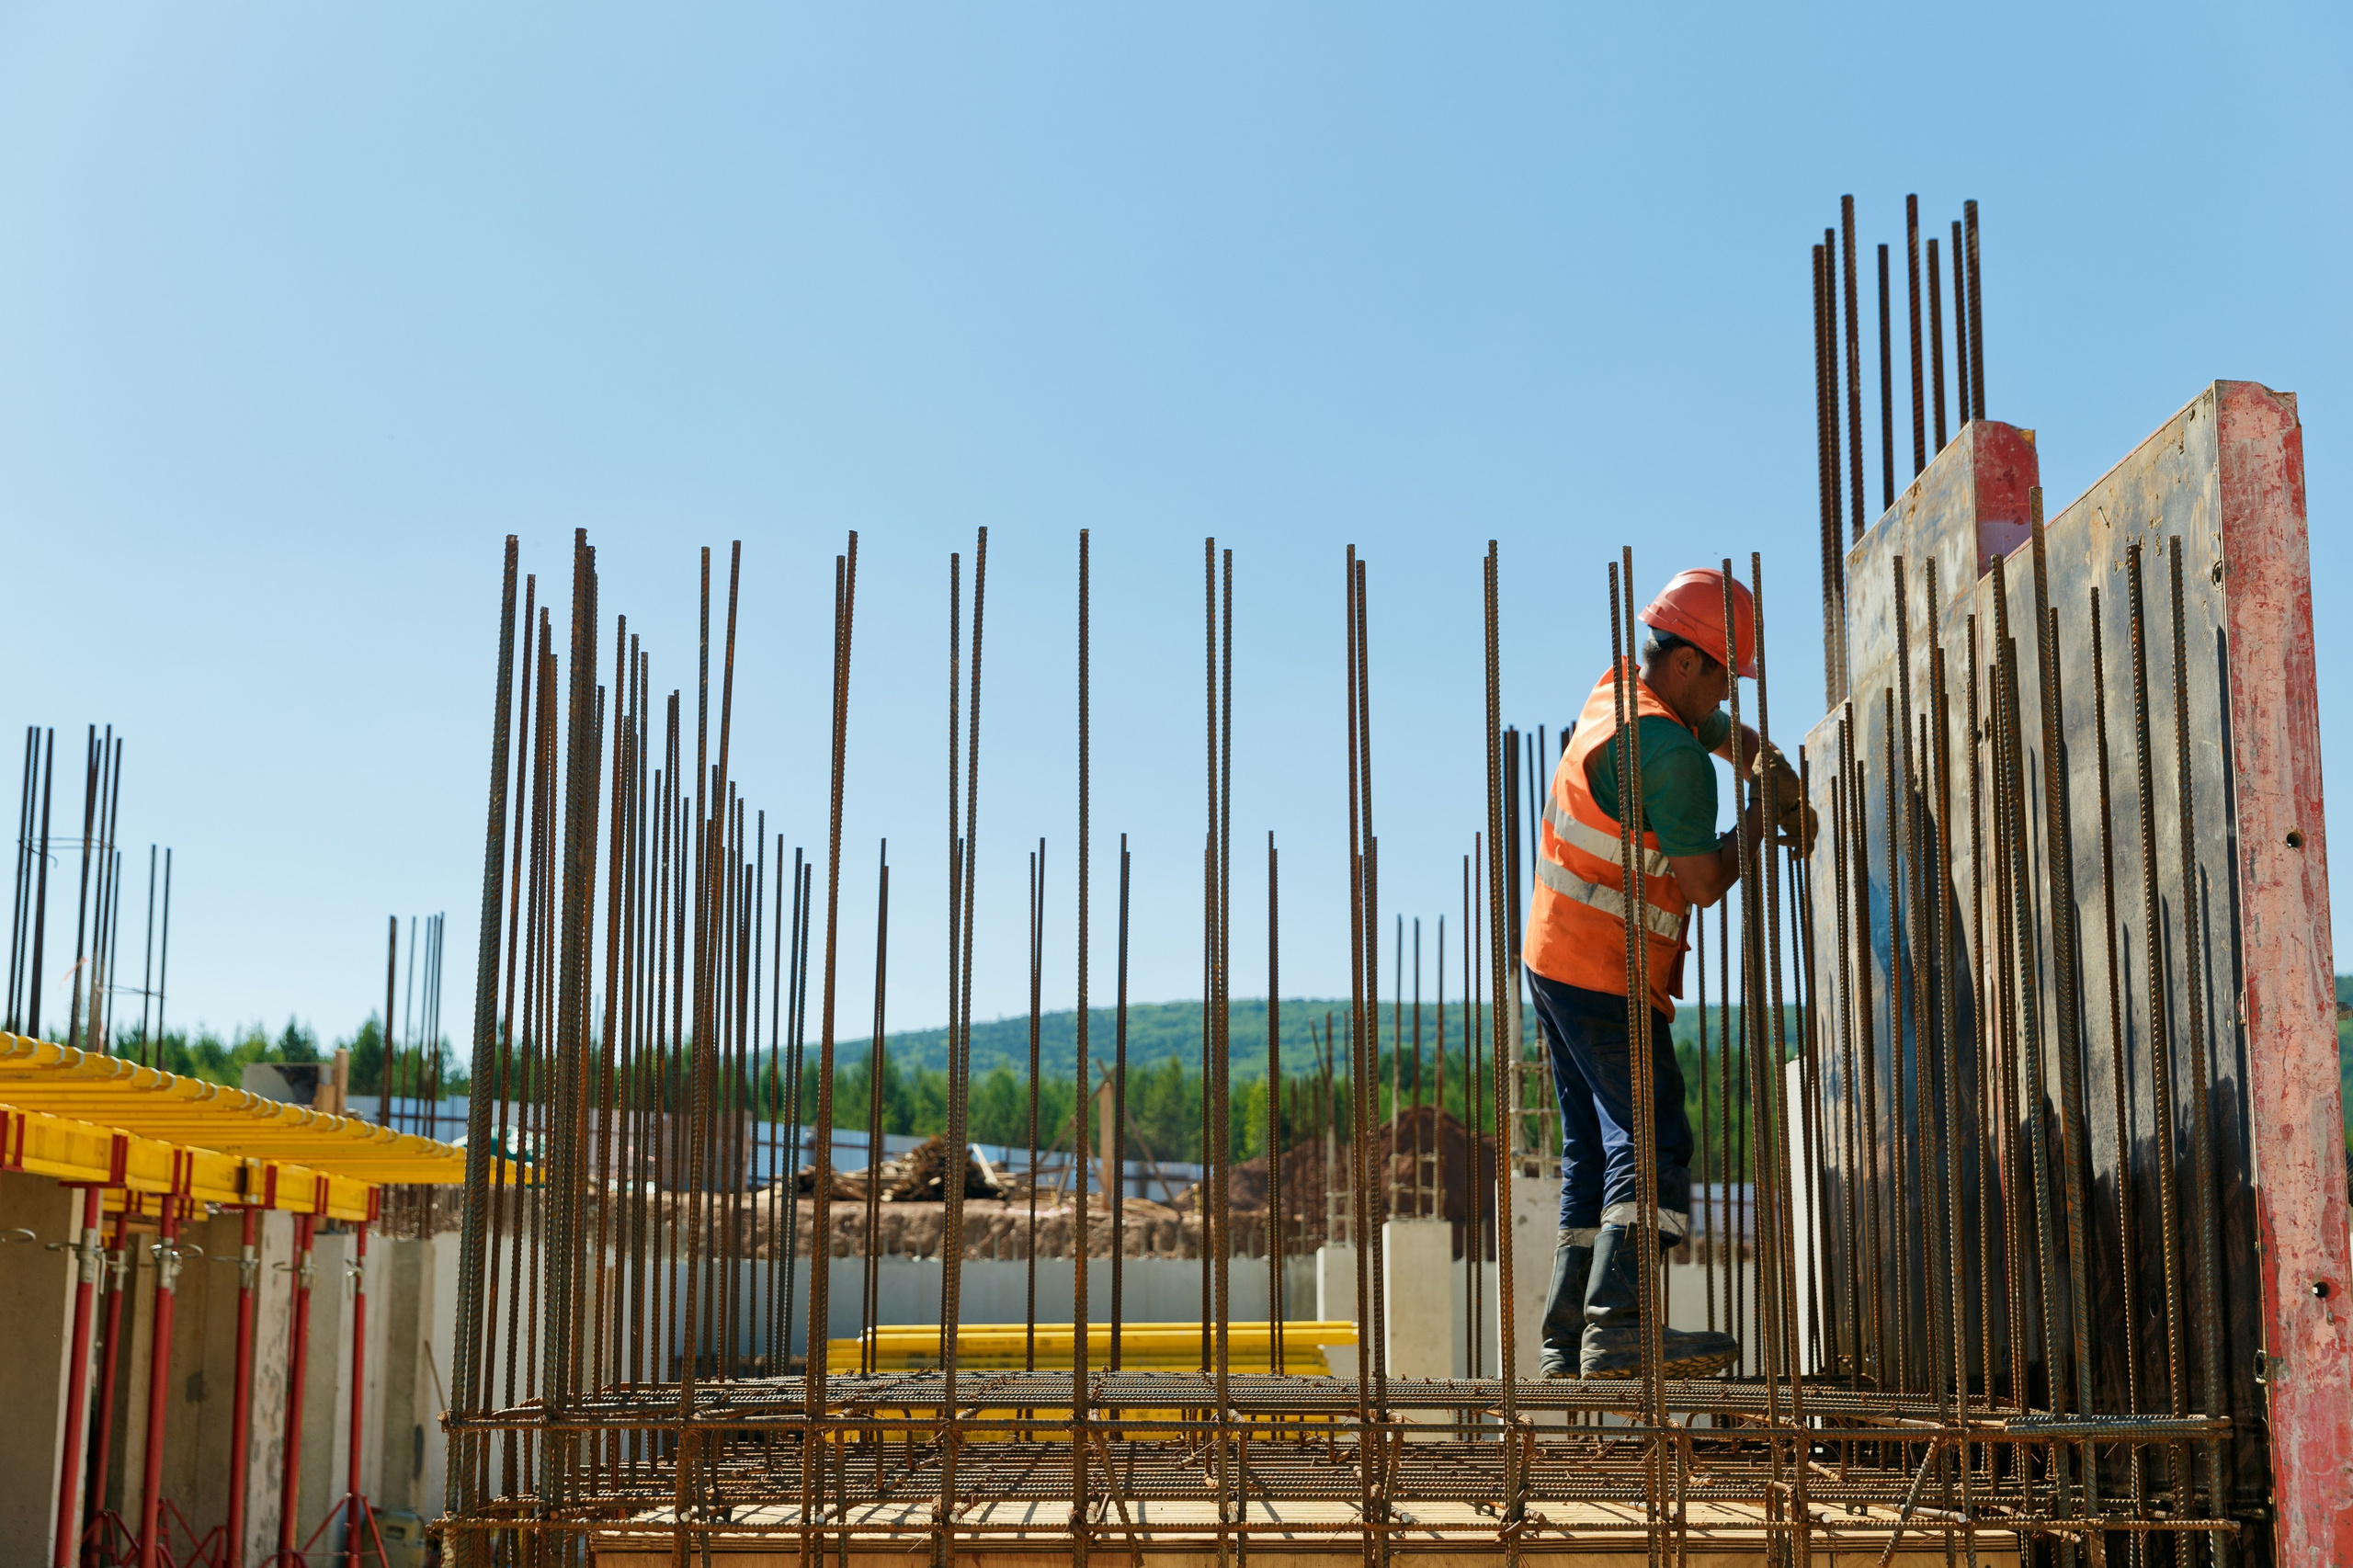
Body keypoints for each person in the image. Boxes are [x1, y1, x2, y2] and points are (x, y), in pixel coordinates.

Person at [1522, 568, 1813, 1379]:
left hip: (1552, 956)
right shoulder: (1677, 766)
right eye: (1726, 674)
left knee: (1596, 1147)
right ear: (1689, 662)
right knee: (1653, 1136)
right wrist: (1764, 814)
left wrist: (1756, 753)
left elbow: (1709, 728)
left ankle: (1566, 1340)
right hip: (1604, 967)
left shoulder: (1617, 692)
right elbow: (1704, 884)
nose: (1730, 694)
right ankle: (1619, 1325)